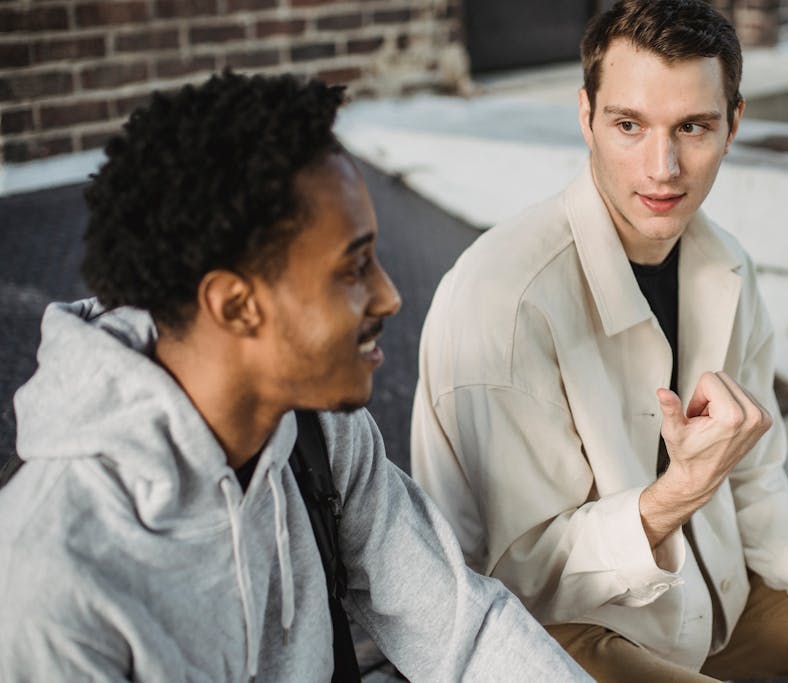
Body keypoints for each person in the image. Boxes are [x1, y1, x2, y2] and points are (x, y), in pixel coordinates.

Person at [410, 2, 788, 681]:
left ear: (733, 125)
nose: (662, 167)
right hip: (554, 633)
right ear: (586, 117)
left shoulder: (726, 265)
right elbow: (519, 576)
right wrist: (681, 491)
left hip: (700, 599)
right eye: (629, 125)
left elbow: (753, 479)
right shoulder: (505, 298)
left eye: (692, 127)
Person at [0, 71, 590, 682]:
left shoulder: (320, 431)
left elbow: (461, 632)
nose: (389, 296)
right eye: (354, 268)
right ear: (236, 306)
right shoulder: (51, 581)